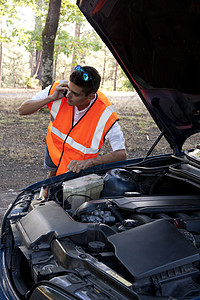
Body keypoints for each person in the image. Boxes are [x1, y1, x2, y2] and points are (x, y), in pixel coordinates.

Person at [19, 65, 126, 177]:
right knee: (51, 180)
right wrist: (51, 98)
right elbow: (22, 110)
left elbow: (121, 154)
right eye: (69, 88)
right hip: (53, 149)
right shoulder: (59, 88)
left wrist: (89, 162)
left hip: (77, 165)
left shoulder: (106, 115)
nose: (68, 95)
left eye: (75, 94)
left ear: (90, 96)